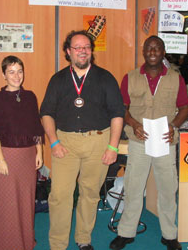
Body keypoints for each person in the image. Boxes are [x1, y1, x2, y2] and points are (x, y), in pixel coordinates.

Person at [40, 30, 125, 250]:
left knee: (90, 194)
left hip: (98, 142)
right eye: (77, 47)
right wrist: (54, 142)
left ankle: (83, 238)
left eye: (86, 47)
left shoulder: (106, 78)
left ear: (91, 50)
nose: (82, 51)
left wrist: (112, 146)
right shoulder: (58, 80)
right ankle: (58, 244)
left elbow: (117, 114)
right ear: (68, 52)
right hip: (65, 143)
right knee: (59, 196)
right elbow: (46, 113)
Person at [109, 35, 188, 250]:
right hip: (139, 140)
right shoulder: (130, 77)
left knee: (167, 188)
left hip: (166, 142)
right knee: (134, 186)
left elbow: (184, 108)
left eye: (157, 49)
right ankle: (126, 232)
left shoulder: (175, 78)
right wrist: (134, 124)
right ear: (144, 52)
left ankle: (169, 234)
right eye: (149, 49)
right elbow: (122, 109)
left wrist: (174, 126)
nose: (153, 52)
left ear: (163, 52)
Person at [0, 55, 44, 250]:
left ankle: (26, 241)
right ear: (3, 75)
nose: (16, 76)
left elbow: (36, 127)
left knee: (27, 202)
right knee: (7, 203)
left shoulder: (30, 97)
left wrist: (39, 153)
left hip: (28, 157)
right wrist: (0, 159)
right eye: (11, 72)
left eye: (19, 71)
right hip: (6, 156)